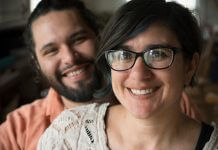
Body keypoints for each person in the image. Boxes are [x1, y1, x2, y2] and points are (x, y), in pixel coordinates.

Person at [37, 0, 218, 149]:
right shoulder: (67, 136)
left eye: (158, 54)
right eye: (123, 55)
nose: (138, 74)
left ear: (190, 67)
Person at [0, 0, 105, 149]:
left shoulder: (140, 104)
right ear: (36, 63)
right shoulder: (18, 129)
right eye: (51, 50)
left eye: (79, 39)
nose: (69, 58)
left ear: (99, 37)